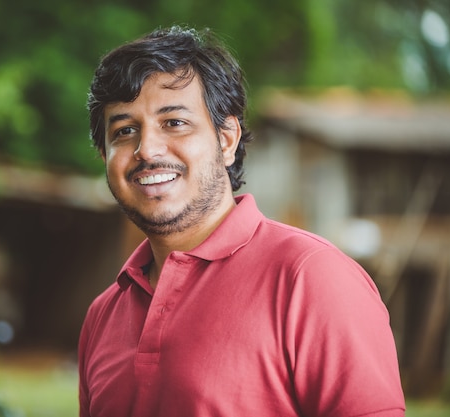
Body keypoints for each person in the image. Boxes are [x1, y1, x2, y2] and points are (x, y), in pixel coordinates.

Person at [78, 26, 406, 417]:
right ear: (105, 156)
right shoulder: (103, 314)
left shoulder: (311, 277)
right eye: (125, 131)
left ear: (227, 138)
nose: (147, 149)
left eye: (174, 122)